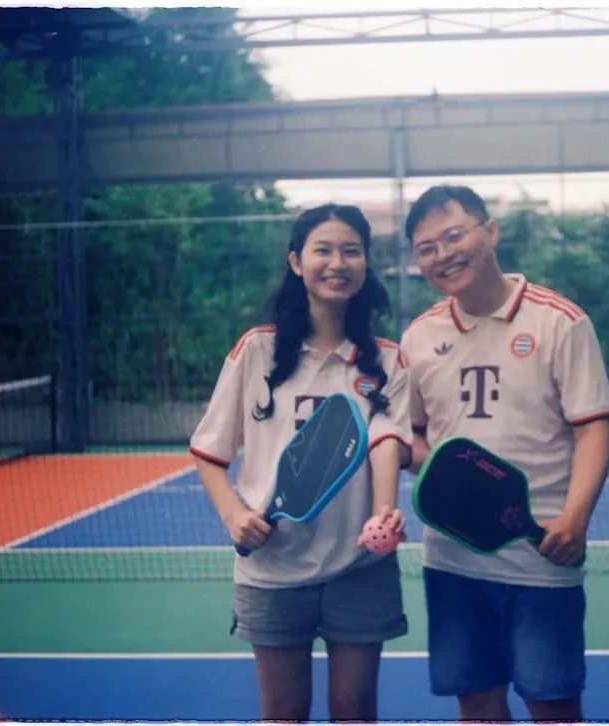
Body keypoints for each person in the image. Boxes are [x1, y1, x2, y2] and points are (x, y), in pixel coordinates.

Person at [400, 185, 609, 723]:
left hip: (541, 555)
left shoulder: (560, 321)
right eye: (427, 248)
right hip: (451, 560)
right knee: (476, 706)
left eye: (454, 236)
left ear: (490, 232)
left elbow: (593, 428)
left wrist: (575, 519)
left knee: (553, 705)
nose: (443, 254)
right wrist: (447, 473)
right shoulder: (418, 337)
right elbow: (412, 437)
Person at [190, 203, 412, 722]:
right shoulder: (257, 351)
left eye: (351, 251)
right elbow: (209, 450)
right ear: (296, 261)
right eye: (323, 250)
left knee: (354, 711)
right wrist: (234, 515)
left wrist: (383, 512)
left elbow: (386, 440)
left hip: (360, 567)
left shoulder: (388, 359)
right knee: (283, 713)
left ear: (365, 262)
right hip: (272, 569)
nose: (338, 263)